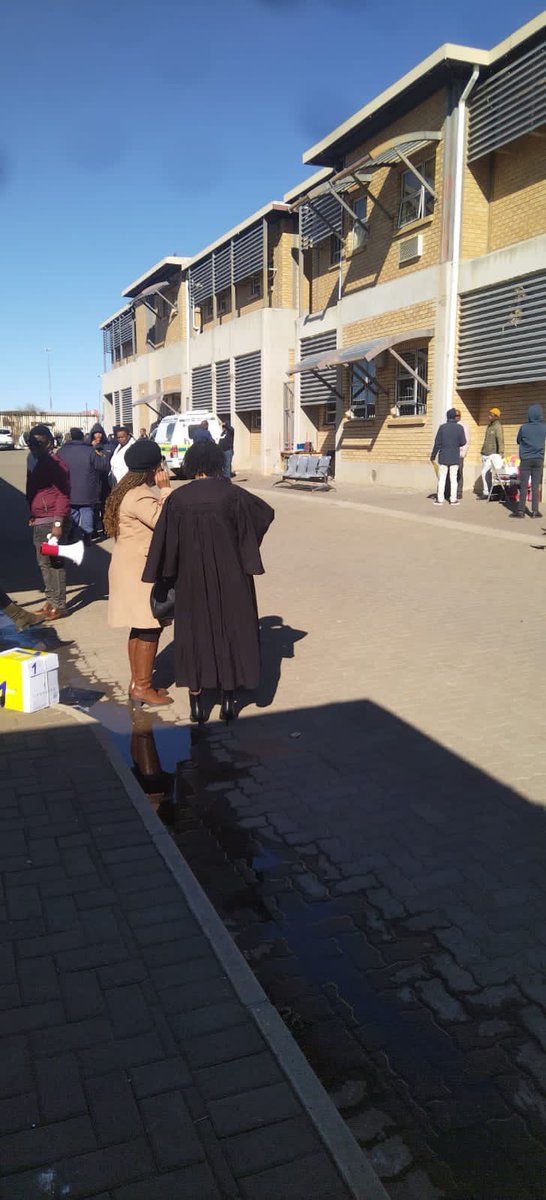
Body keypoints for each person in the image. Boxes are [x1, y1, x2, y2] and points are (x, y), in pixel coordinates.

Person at [143, 441, 274, 724]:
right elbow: (265, 514)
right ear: (217, 463)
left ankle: (197, 705)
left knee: (194, 635)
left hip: (190, 579)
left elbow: (166, 543)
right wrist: (243, 545)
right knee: (229, 631)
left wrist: (166, 574)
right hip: (232, 576)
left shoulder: (178, 499)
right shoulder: (232, 494)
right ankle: (229, 701)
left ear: (192, 466)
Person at [104, 439, 173, 707]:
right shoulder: (141, 494)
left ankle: (137, 683)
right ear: (153, 468)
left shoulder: (124, 489)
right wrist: (166, 490)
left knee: (139, 627)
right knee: (149, 628)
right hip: (139, 572)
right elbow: (164, 522)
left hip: (128, 567)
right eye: (160, 465)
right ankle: (142, 687)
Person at [25, 424, 71, 620]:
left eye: (39, 443)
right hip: (41, 521)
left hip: (52, 521)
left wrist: (58, 524)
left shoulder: (56, 464)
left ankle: (59, 606)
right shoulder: (37, 461)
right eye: (31, 443)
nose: (34, 447)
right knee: (44, 563)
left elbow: (63, 495)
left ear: (50, 443)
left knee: (53, 563)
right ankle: (51, 600)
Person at [58, 427, 110, 541]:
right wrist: (102, 456)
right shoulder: (90, 450)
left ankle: (73, 533)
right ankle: (88, 534)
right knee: (87, 511)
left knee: (73, 511)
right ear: (83, 437)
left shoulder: (62, 451)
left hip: (69, 488)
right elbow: (103, 466)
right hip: (88, 489)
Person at [514, 404, 546, 518]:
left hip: (526, 459)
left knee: (523, 485)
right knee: (535, 486)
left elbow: (518, 440)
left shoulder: (524, 427)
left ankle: (521, 511)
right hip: (538, 459)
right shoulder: (544, 427)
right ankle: (535, 511)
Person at [430, 408, 466, 506]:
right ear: (455, 417)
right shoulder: (460, 428)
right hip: (454, 457)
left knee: (442, 478)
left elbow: (437, 443)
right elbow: (463, 442)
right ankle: (453, 499)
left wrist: (433, 455)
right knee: (453, 479)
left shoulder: (442, 427)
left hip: (443, 457)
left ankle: (439, 499)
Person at [480, 408, 504, 498]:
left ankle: (488, 492)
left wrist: (501, 451)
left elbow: (500, 439)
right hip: (485, 453)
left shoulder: (498, 427)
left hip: (492, 454)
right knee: (486, 474)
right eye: (489, 414)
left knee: (485, 473)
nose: (489, 416)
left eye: (491, 414)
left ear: (496, 416)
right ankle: (488, 492)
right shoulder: (489, 426)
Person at [455, 409, 470, 500]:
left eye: (457, 416)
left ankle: (459, 491)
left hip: (459, 453)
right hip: (451, 453)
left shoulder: (464, 426)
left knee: (459, 472)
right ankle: (451, 491)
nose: (456, 417)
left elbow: (467, 440)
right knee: (452, 473)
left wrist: (463, 452)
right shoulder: (452, 425)